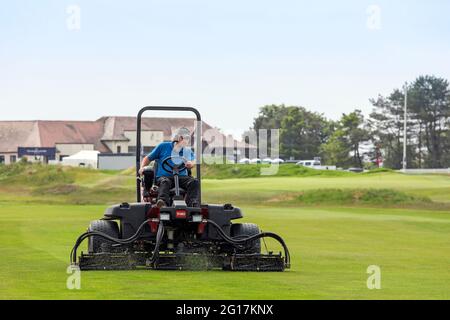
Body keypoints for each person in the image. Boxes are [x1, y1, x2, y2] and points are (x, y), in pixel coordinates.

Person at [139, 127, 199, 208]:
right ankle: (163, 203)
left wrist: (191, 164)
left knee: (194, 182)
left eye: (187, 138)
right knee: (165, 182)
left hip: (181, 177)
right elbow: (148, 158)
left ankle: (192, 204)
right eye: (184, 138)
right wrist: (142, 168)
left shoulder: (187, 151)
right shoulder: (163, 146)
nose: (186, 140)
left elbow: (194, 160)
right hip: (163, 177)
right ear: (178, 138)